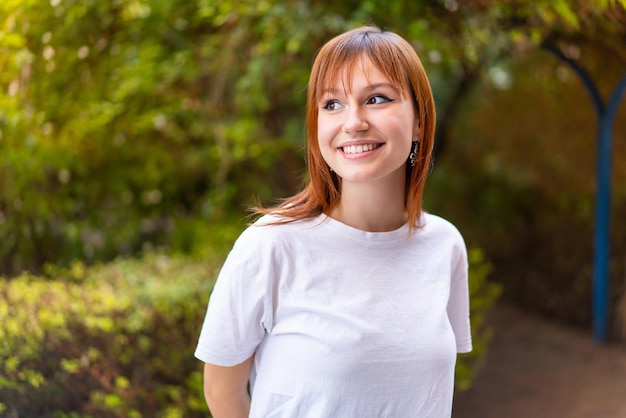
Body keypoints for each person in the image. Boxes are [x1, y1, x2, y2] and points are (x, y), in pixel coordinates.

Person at [194, 25, 472, 417]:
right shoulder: (271, 245)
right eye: (332, 104)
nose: (353, 121)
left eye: (376, 98)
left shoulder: (445, 244)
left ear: (420, 122)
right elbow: (222, 393)